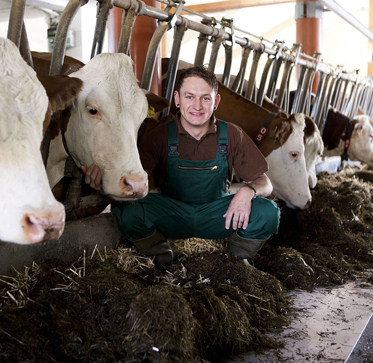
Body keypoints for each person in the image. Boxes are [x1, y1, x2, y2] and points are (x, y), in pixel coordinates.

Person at [82, 66, 280, 268]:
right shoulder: (160, 136)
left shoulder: (231, 134)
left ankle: (237, 260)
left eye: (205, 98)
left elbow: (265, 183)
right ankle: (160, 252)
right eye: (189, 97)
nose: (197, 106)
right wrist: (102, 184)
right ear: (177, 99)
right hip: (172, 213)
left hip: (218, 214)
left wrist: (248, 191)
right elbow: (133, 180)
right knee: (126, 210)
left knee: (268, 212)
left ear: (216, 102)